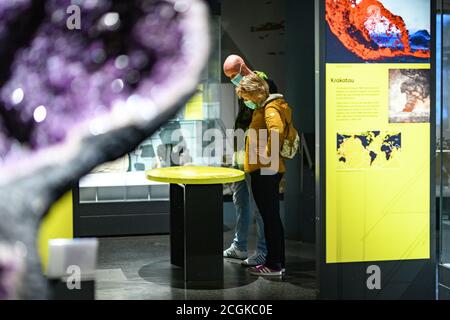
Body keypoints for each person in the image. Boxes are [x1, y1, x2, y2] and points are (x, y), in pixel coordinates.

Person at [222, 55, 277, 266]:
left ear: (243, 66)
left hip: (257, 153)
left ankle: (263, 250)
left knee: (258, 203)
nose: (232, 80)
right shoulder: (244, 87)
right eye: (229, 77)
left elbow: (267, 119)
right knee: (240, 199)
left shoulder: (263, 84)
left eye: (233, 75)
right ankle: (240, 245)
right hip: (242, 151)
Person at [235, 73, 289, 277]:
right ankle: (275, 262)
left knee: (270, 218)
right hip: (264, 170)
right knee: (270, 217)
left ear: (256, 92)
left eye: (246, 96)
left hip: (265, 171)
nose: (245, 101)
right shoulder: (265, 107)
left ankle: (274, 264)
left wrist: (266, 155)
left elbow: (277, 130)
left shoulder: (270, 107)